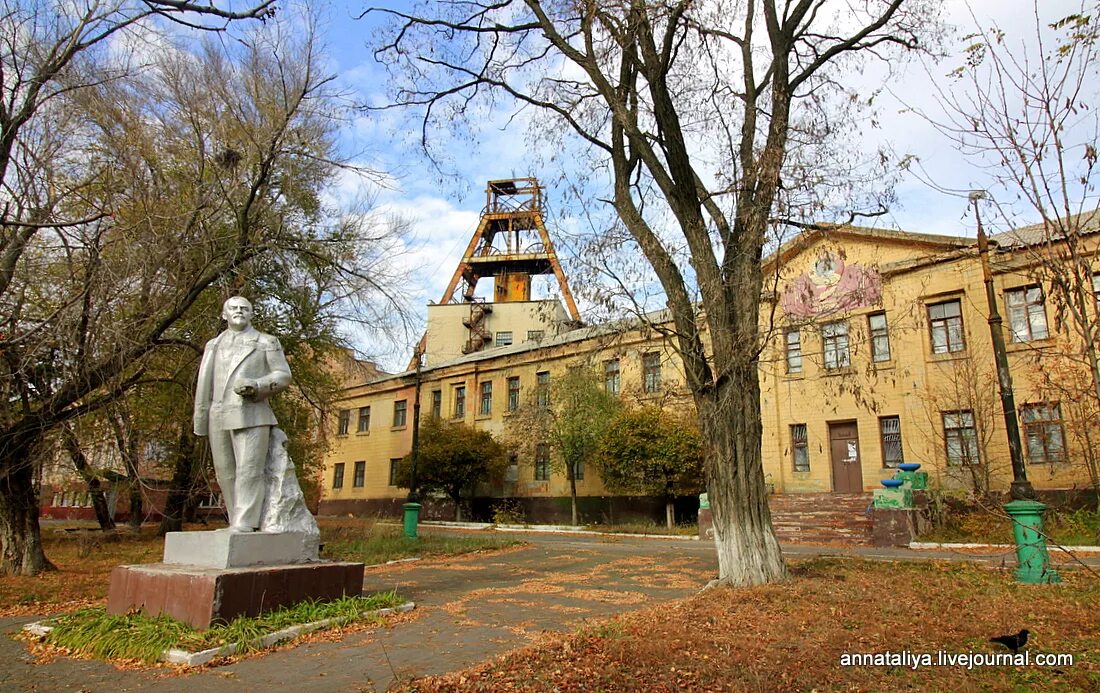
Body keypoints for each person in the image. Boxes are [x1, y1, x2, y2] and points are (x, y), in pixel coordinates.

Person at [193, 296, 292, 532]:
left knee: (249, 470)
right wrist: (201, 419)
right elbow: (204, 384)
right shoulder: (213, 345)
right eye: (234, 308)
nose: (239, 311)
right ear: (224, 315)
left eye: (244, 309)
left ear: (251, 314)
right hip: (218, 415)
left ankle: (245, 523)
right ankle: (235, 521)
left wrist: (258, 385)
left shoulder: (266, 342)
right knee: (225, 472)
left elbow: (283, 375)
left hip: (252, 414)